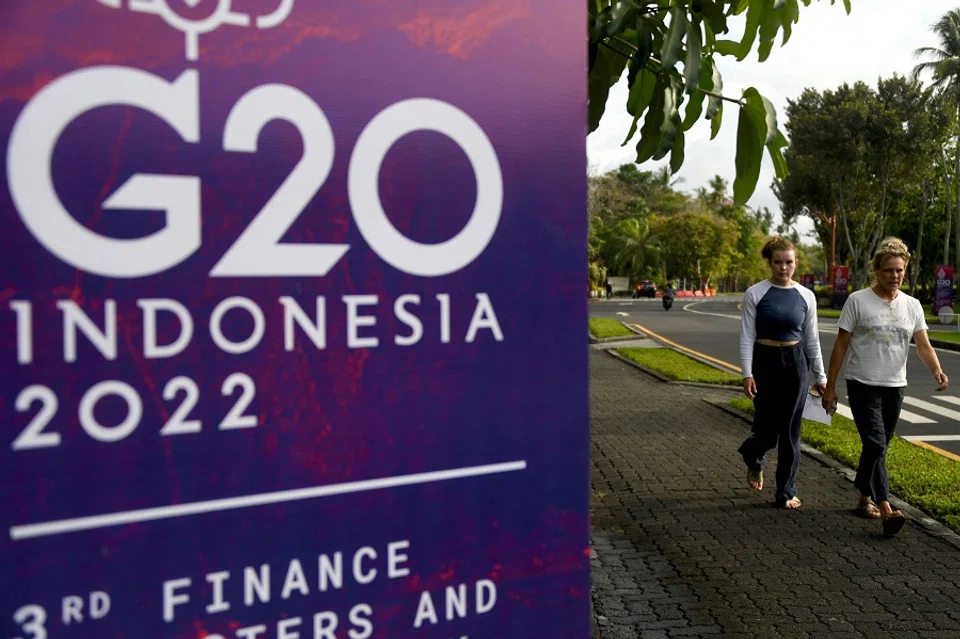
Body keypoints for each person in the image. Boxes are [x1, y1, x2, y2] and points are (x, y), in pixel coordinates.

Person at [821, 237, 948, 536]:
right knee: (876, 443)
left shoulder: (912, 305)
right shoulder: (857, 301)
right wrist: (830, 386)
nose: (895, 276)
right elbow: (841, 346)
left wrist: (937, 370)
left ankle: (864, 497)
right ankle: (886, 507)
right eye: (889, 270)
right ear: (876, 271)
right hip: (863, 382)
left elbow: (923, 345)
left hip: (895, 384)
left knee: (879, 446)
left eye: (900, 270)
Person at [739, 236, 827, 509]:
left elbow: (812, 339)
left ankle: (786, 491)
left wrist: (821, 377)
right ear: (770, 263)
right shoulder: (755, 293)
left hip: (796, 363)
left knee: (790, 431)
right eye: (778, 262)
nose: (783, 268)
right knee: (766, 431)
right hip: (765, 362)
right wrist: (747, 373)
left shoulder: (806, 296)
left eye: (789, 262)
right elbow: (746, 336)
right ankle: (753, 455)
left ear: (796, 263)